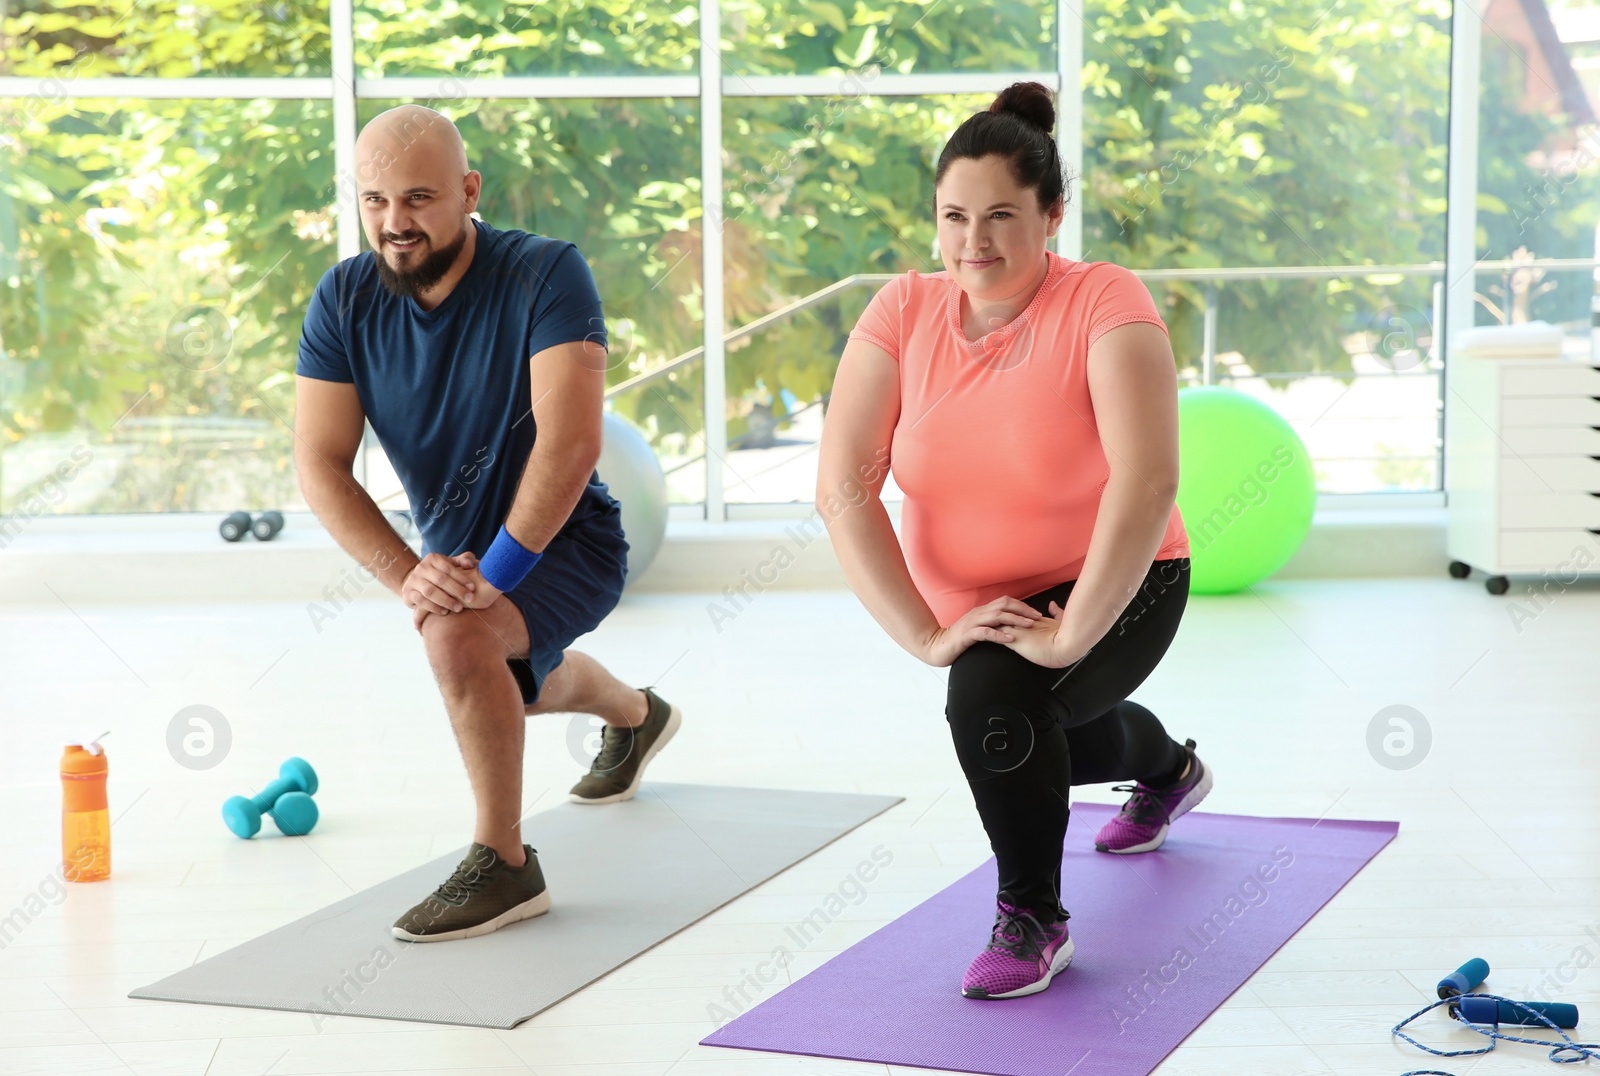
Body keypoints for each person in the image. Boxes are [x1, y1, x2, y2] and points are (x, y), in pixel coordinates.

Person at [817, 82, 1212, 1000]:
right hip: (983, 600)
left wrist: (1073, 632)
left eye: (1000, 215)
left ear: (1052, 216)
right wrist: (924, 633)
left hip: (1124, 575)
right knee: (1046, 724)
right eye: (954, 216)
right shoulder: (900, 312)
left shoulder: (1104, 300)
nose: (973, 241)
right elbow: (845, 490)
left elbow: (1146, 480)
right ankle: (1168, 768)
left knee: (995, 703)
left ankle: (1034, 918)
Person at [294, 104, 682, 944]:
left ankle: (504, 864)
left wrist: (487, 577)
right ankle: (634, 714)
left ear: (470, 191)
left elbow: (571, 440)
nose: (395, 224)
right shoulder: (343, 298)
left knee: (461, 641)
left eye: (419, 198)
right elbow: (318, 462)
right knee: (512, 670)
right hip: (451, 554)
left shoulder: (546, 273)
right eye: (374, 202)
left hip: (568, 538)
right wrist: (410, 574)